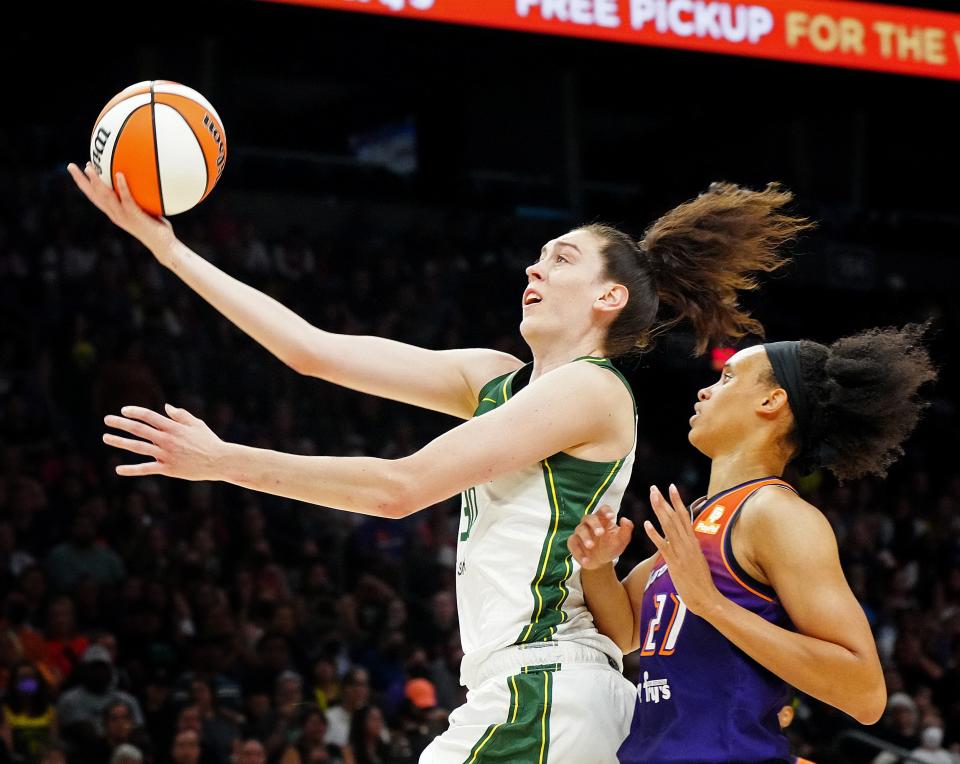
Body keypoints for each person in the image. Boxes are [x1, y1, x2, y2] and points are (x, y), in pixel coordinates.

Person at [69, 161, 810, 761]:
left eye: (563, 257)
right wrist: (165, 247)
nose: (536, 265)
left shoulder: (591, 391)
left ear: (610, 296)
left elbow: (401, 488)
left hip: (548, 687)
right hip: (530, 693)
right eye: (540, 255)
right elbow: (309, 351)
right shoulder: (498, 380)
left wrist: (225, 461)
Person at [568, 326, 935, 763]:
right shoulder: (702, 514)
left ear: (772, 401)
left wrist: (712, 604)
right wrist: (597, 566)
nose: (704, 391)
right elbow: (624, 630)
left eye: (725, 379)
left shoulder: (777, 514)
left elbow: (865, 692)